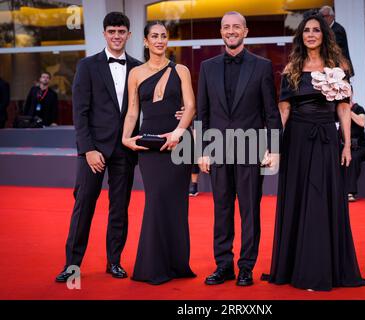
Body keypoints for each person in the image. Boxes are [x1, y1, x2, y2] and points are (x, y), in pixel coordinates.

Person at [267, 14, 365, 291]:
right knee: (298, 198)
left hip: (325, 139)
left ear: (324, 35)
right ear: (301, 36)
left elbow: (344, 109)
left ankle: (322, 268)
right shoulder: (291, 68)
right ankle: (294, 266)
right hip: (296, 139)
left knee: (322, 199)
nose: (311, 34)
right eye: (306, 30)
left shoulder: (338, 67)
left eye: (316, 30)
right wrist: (274, 145)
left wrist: (346, 143)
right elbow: (284, 110)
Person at [55, 12, 143, 283]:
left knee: (119, 208)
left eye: (121, 31)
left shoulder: (139, 68)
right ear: (104, 34)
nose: (117, 36)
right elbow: (80, 113)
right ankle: (72, 265)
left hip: (125, 150)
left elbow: (151, 102)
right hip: (94, 150)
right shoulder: (87, 66)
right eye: (112, 31)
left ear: (129, 35)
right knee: (84, 207)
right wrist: (88, 149)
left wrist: (178, 113)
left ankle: (114, 261)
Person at [197, 11, 282, 287]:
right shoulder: (207, 67)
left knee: (249, 212)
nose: (231, 31)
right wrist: (201, 149)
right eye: (226, 27)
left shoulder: (262, 66)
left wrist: (273, 148)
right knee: (221, 211)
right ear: (221, 32)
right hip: (218, 149)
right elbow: (203, 113)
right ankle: (223, 266)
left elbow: (271, 112)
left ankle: (246, 266)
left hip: (251, 149)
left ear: (246, 31)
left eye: (236, 27)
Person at [122, 21, 196, 285]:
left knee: (176, 205)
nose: (160, 40)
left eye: (164, 36)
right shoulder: (136, 73)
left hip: (179, 144)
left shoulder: (182, 70)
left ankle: (176, 264)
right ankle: (153, 266)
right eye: (154, 36)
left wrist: (178, 132)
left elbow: (190, 106)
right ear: (145, 41)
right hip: (150, 146)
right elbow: (133, 111)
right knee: (155, 200)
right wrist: (125, 137)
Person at [319, 5, 354, 77]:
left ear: (332, 16)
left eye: (325, 16)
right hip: (335, 67)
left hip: (340, 67)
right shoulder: (327, 29)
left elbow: (333, 48)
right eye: (321, 16)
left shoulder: (337, 30)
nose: (323, 19)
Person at [345, 97, 365, 202]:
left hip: (358, 147)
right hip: (342, 146)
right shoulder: (335, 109)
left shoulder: (358, 109)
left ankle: (350, 192)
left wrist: (347, 110)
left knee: (353, 157)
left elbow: (362, 122)